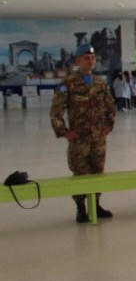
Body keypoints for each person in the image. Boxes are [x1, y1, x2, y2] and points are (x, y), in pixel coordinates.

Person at [50, 43, 116, 222]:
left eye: (93, 57)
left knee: (98, 173)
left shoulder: (100, 82)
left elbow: (110, 105)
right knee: (80, 174)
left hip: (98, 139)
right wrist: (64, 132)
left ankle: (95, 205)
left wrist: (109, 125)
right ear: (78, 60)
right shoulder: (68, 83)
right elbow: (56, 111)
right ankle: (80, 208)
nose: (91, 60)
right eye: (87, 58)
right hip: (79, 140)